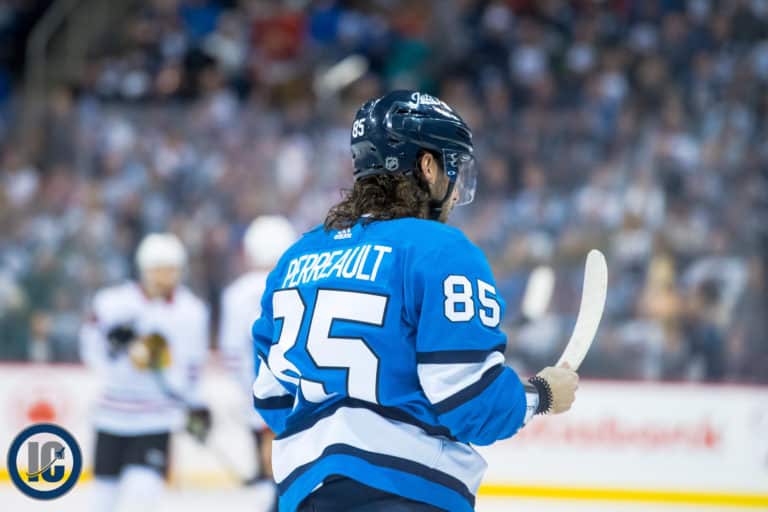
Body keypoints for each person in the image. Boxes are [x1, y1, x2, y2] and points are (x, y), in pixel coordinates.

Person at [250, 90, 579, 512]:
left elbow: (273, 400)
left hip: (304, 496)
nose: (456, 193)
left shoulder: (296, 259)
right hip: (406, 496)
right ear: (427, 166)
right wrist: (542, 394)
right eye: (453, 169)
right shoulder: (440, 250)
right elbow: (471, 403)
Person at [80, 233, 210, 512]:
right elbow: (91, 350)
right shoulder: (112, 303)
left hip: (156, 419)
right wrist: (110, 345)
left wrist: (196, 404)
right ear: (144, 269)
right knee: (102, 500)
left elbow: (193, 367)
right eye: (158, 269)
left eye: (171, 269)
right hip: (111, 416)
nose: (165, 277)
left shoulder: (191, 311)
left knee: (142, 499)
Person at [219, 215, 297, 506]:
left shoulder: (237, 293)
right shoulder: (303, 281)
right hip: (302, 398)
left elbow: (231, 354)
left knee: (270, 478)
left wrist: (251, 394)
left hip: (262, 398)